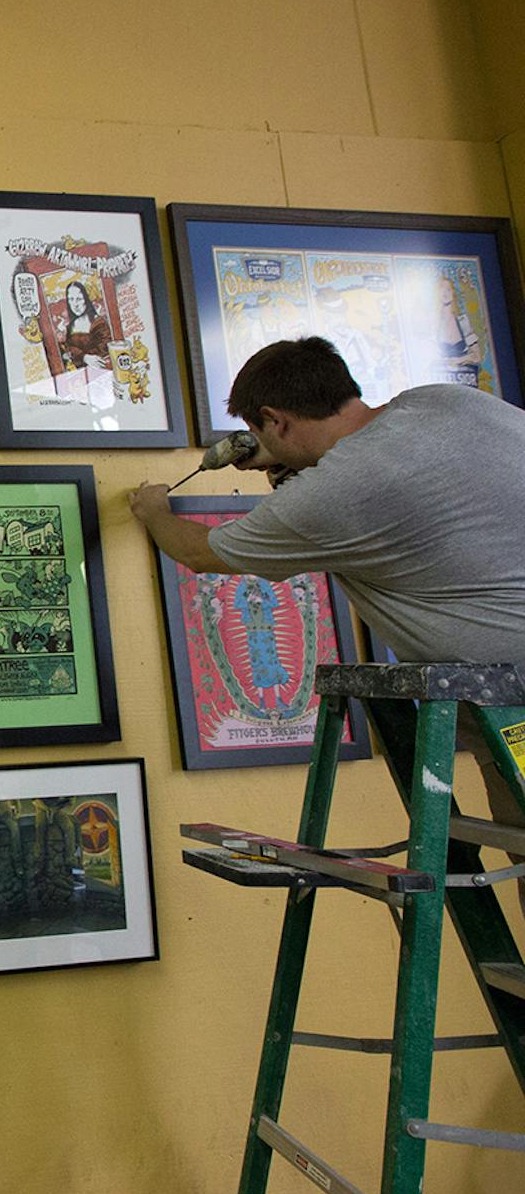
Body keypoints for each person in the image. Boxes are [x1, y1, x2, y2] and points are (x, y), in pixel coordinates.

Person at [128, 336, 525, 867]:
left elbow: (201, 553)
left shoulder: (336, 490)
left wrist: (154, 510)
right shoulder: (447, 400)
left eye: (257, 430)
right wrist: (298, 459)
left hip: (510, 691)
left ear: (274, 420)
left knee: (522, 838)